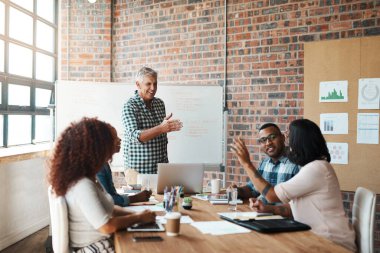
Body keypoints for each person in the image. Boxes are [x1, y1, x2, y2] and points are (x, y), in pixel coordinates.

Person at [231, 119, 356, 252]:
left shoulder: (316, 169)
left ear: (299, 142)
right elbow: (293, 207)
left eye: (289, 136)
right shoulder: (312, 167)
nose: (287, 142)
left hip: (332, 243)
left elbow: (273, 196)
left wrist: (246, 164)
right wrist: (267, 208)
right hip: (314, 237)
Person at [48, 117, 156, 252]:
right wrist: (138, 217)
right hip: (96, 248)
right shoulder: (82, 185)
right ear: (96, 149)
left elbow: (109, 208)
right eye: (109, 144)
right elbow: (106, 226)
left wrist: (137, 215)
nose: (111, 150)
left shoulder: (83, 178)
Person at [122, 66, 182, 175]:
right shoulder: (130, 106)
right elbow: (135, 136)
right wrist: (161, 128)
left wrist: (165, 128)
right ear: (138, 84)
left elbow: (161, 134)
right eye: (148, 84)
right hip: (138, 172)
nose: (153, 88)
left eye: (155, 83)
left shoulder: (159, 104)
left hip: (161, 169)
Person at [232, 123, 300, 217]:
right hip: (261, 214)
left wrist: (247, 163)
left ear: (283, 137)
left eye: (272, 137)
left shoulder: (296, 163)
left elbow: (298, 205)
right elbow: (253, 189)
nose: (268, 143)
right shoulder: (265, 162)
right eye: (263, 140)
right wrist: (236, 191)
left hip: (283, 219)